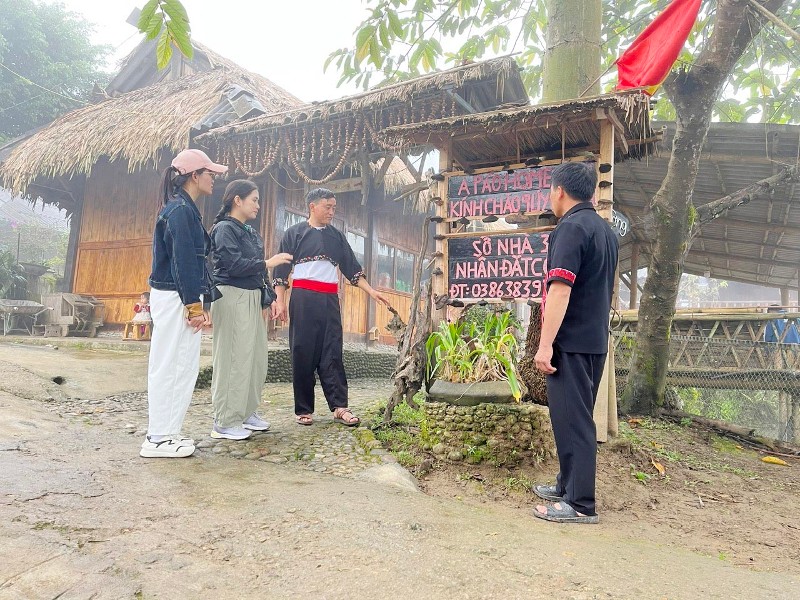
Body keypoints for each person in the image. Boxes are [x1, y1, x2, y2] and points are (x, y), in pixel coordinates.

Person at [532, 161, 619, 524]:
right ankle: (566, 486)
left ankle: (581, 504)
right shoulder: (605, 230)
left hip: (570, 343)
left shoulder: (570, 229)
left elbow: (560, 291)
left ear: (559, 191)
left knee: (575, 422)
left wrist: (545, 344)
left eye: (551, 191)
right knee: (568, 418)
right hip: (594, 340)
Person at [272, 187, 390, 426]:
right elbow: (281, 273)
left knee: (332, 351)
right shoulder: (293, 234)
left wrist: (372, 292)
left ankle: (339, 406)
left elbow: (352, 270)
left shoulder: (337, 237)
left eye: (334, 207)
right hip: (303, 300)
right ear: (312, 206)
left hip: (329, 301)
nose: (332, 212)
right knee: (302, 351)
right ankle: (303, 409)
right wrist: (280, 300)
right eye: (328, 207)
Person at [140, 149, 227, 458]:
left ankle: (168, 432)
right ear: (194, 176)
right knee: (170, 365)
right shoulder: (179, 212)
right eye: (210, 174)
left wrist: (198, 302)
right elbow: (183, 263)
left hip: (181, 295)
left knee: (183, 366)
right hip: (176, 296)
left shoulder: (185, 209)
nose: (214, 179)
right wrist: (193, 306)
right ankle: (158, 437)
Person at [208, 179, 292, 440]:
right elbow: (233, 265)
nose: (258, 205)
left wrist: (272, 299)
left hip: (253, 298)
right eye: (254, 199)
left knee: (255, 359)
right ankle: (225, 419)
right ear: (237, 200)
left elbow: (257, 272)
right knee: (233, 358)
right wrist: (268, 262)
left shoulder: (251, 232)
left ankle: (245, 412)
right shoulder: (224, 229)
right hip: (231, 295)